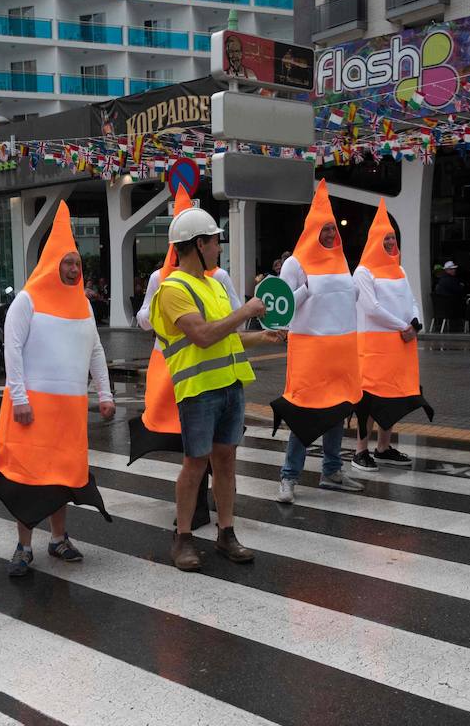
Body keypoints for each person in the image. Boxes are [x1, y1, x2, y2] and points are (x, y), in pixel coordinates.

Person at [0, 202, 115, 577]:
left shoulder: (83, 304)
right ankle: (24, 545)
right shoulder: (28, 300)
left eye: (77, 262)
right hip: (32, 408)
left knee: (60, 479)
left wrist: (106, 394)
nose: (74, 268)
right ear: (52, 263)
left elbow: (96, 350)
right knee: (27, 480)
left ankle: (58, 538)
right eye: (67, 261)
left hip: (69, 411)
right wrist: (19, 398)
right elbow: (11, 348)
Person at [151, 198, 280, 571]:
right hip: (198, 391)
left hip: (229, 386)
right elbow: (204, 336)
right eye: (213, 241)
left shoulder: (214, 286)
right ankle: (184, 539)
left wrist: (263, 337)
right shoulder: (171, 288)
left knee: (226, 461)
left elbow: (227, 338)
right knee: (194, 465)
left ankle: (226, 533)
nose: (218, 247)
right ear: (196, 245)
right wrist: (247, 311)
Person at [130, 187, 230, 531]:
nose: (218, 246)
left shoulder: (218, 278)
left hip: (217, 371)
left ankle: (212, 512)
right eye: (213, 240)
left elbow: (234, 320)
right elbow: (143, 315)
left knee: (212, 448)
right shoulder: (162, 279)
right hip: (175, 368)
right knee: (189, 445)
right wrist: (164, 322)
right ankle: (192, 515)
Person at [273, 180, 364, 503]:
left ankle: (332, 471)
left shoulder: (340, 259)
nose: (330, 235)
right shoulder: (295, 263)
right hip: (310, 353)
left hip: (340, 353)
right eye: (324, 230)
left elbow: (349, 297)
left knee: (337, 412)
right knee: (304, 415)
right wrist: (306, 289)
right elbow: (280, 308)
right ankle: (289, 477)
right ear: (312, 231)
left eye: (332, 230)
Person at [352, 201, 432, 473]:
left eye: (392, 238)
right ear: (374, 241)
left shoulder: (400, 269)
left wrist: (415, 324)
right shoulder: (363, 271)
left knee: (393, 396)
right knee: (369, 399)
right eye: (385, 238)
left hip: (401, 345)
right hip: (373, 347)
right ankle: (360, 450)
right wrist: (404, 327)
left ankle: (384, 447)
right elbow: (371, 308)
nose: (389, 242)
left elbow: (411, 300)